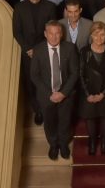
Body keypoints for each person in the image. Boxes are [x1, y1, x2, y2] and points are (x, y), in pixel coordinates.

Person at [30, 20, 79, 160]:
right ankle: (53, 145)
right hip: (46, 96)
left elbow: (74, 73)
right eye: (51, 33)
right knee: (50, 122)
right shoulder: (38, 50)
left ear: (61, 34)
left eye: (57, 33)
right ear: (45, 34)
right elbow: (34, 75)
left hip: (66, 94)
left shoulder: (70, 48)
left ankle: (63, 144)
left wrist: (63, 93)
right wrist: (50, 94)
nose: (54, 36)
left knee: (65, 121)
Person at [13, 0, 58, 125]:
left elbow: (52, 32)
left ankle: (47, 108)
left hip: (45, 51)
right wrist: (28, 49)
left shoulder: (50, 7)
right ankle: (37, 110)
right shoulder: (19, 8)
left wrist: (38, 50)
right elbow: (17, 32)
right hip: (27, 53)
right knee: (30, 83)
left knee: (46, 81)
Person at [78, 21, 105, 156]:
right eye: (96, 34)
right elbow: (80, 74)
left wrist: (103, 94)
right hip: (88, 92)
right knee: (90, 116)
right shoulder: (84, 51)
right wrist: (88, 94)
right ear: (91, 36)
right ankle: (93, 141)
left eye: (102, 35)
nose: (99, 38)